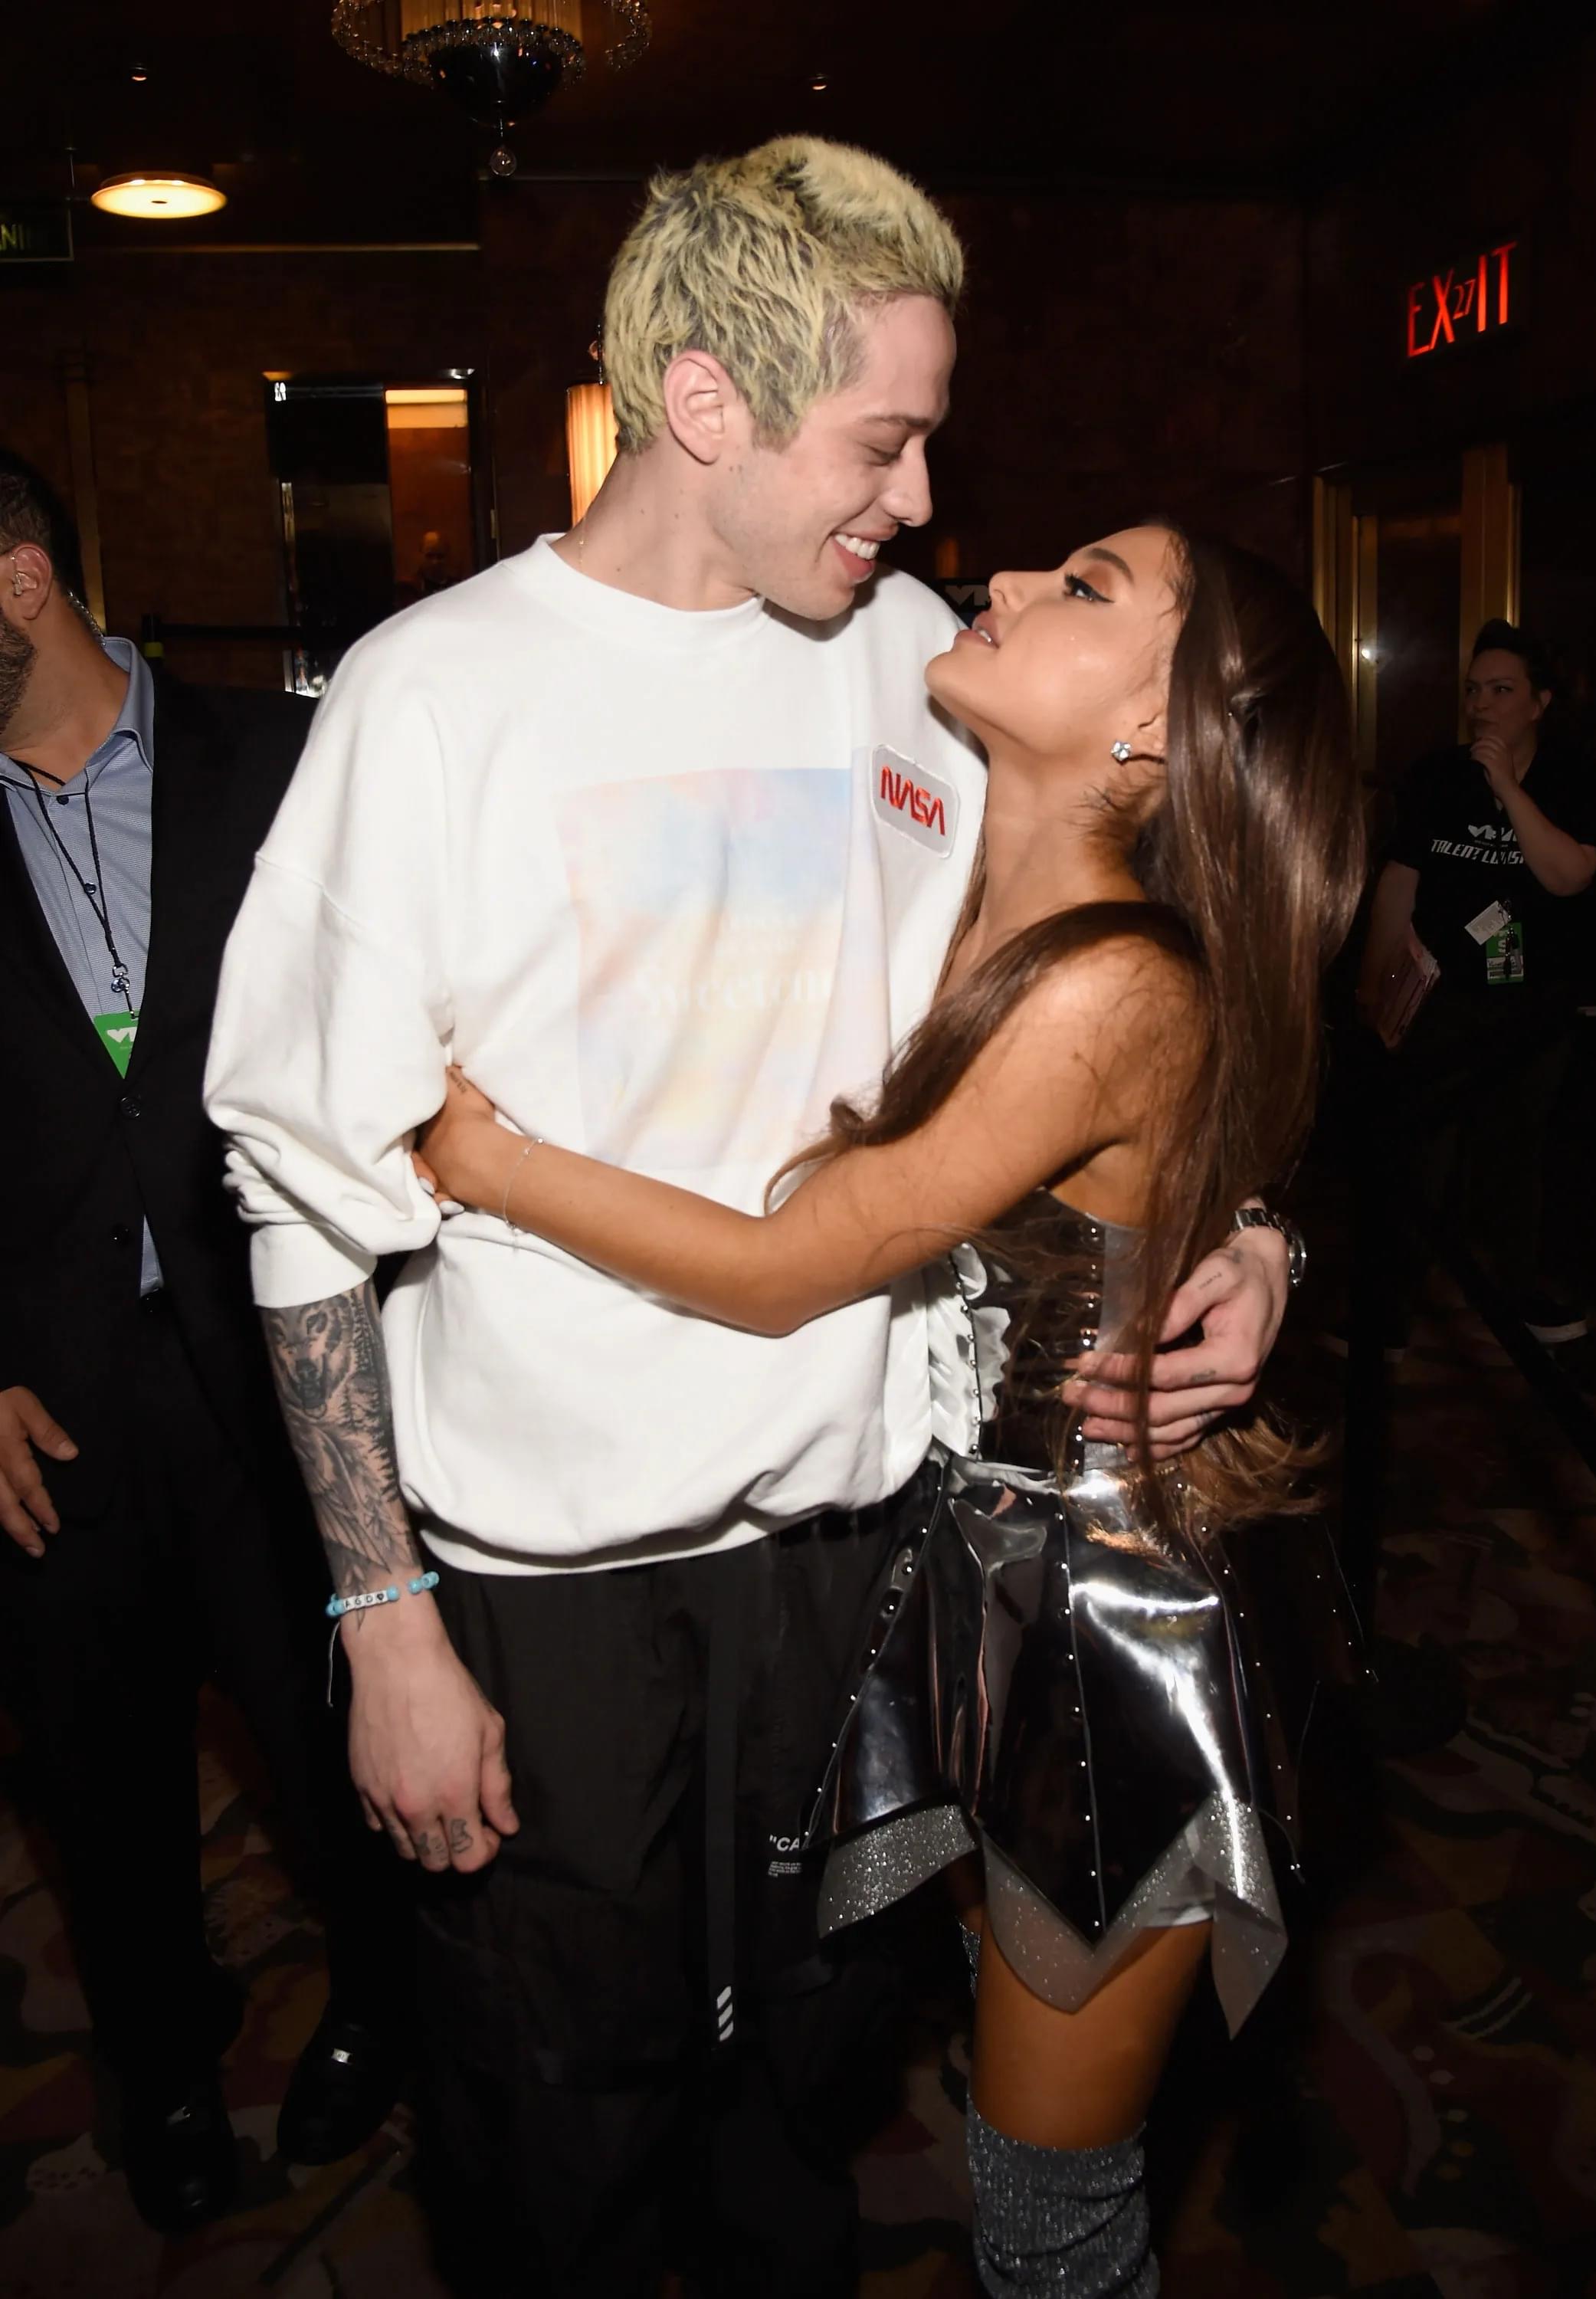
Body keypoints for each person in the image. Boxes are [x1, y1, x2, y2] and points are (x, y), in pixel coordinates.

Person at [204, 140, 1299, 2296]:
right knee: (564, 2135)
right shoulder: (437, 693)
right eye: (882, 441)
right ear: (706, 404)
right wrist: (384, 1621)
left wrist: (1249, 1228)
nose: (920, 499)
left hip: (865, 1574)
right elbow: (306, 1196)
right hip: (556, 1592)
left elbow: (1156, 959)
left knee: (803, 2112)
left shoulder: (914, 659)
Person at [414, 518, 1364, 2297]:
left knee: (1049, 2215)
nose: (1000, 581)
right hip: (965, 1570)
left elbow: (793, 1265)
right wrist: (1251, 1224)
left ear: (1154, 730)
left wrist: (484, 1158)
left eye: (1083, 589)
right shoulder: (950, 862)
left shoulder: (1104, 978)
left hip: (1105, 1630)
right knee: (976, 2064)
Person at [0, 451, 408, 2233]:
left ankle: (384, 2000)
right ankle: (164, 2064)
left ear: (21, 582)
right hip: (45, 1405)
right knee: (94, 1777)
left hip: (282, 1371)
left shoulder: (292, 757)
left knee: (333, 1744)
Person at [1357, 618, 1596, 1345]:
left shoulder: (1570, 776)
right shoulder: (1437, 775)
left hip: (1532, 997)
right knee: (1421, 1149)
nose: (1480, 706)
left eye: (1500, 691)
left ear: (1539, 702)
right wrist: (1374, 985)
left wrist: (1505, 787)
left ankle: (1515, 1297)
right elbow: (1400, 880)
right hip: (1443, 991)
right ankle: (1391, 1313)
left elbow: (1568, 876)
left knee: (1517, 1150)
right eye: (1473, 691)